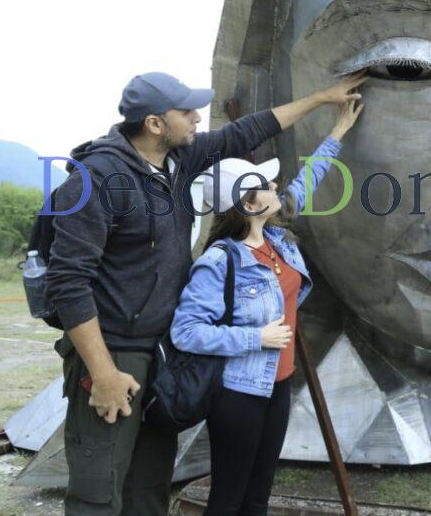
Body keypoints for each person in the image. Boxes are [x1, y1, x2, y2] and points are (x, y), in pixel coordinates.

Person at [45, 70, 366, 516]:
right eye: (186, 111)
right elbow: (68, 281)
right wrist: (102, 374)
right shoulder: (98, 178)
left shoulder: (180, 163)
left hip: (164, 354)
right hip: (114, 351)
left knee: (149, 485)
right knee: (99, 488)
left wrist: (322, 98)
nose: (198, 117)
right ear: (156, 124)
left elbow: (247, 130)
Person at [170, 98, 363, 515]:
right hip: (240, 393)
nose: (277, 188)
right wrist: (256, 336)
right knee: (228, 498)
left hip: (278, 386)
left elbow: (305, 183)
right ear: (249, 205)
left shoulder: (275, 240)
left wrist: (338, 133)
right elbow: (186, 331)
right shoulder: (220, 260)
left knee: (258, 497)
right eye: (267, 186)